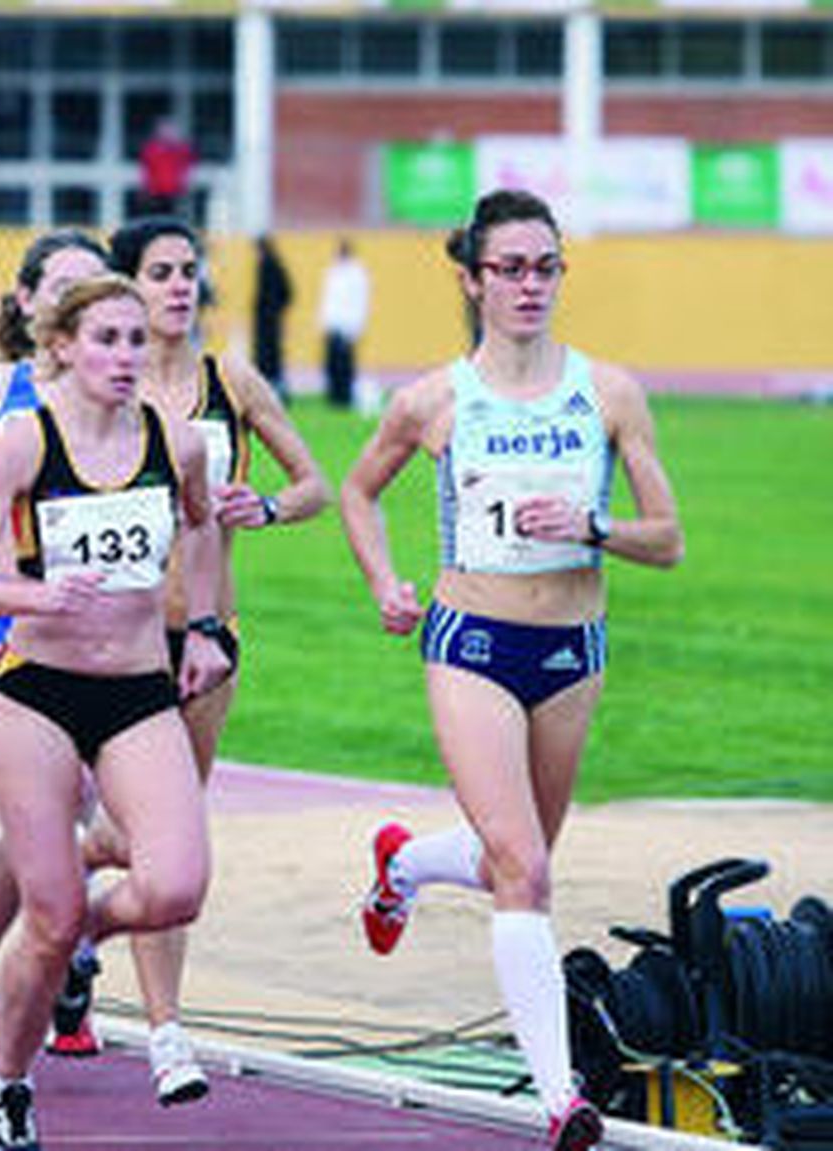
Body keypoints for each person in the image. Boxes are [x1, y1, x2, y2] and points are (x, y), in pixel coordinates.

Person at [337, 188, 683, 1151]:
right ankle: (558, 1099)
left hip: (572, 652)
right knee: (525, 869)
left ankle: (404, 862)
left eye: (546, 266)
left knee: (514, 862)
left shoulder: (608, 393)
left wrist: (592, 525)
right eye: (511, 268)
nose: (531, 284)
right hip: (472, 646)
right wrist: (386, 583)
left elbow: (669, 541)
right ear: (472, 278)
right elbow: (360, 493)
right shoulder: (434, 398)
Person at [0, 273, 228, 1149]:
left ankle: (73, 925)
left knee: (176, 885)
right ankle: (10, 1086)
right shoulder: (26, 440)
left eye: (136, 340)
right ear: (61, 344)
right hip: (40, 692)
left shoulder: (172, 438)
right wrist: (36, 593)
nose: (126, 357)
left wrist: (208, 626)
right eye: (106, 339)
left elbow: (204, 525)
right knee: (51, 913)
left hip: (139, 688)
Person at [78, 216, 329, 1105]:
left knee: (156, 835)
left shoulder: (233, 381)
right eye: (161, 272)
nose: (181, 287)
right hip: (115, 642)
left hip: (206, 640)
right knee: (158, 840)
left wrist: (264, 504)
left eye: (190, 271)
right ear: (123, 287)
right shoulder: (96, 383)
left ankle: (73, 903)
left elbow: (314, 485)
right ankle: (165, 1035)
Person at [0, 229, 111, 1068]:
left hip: (105, 621)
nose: (78, 299)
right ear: (29, 300)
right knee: (64, 792)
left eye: (95, 285)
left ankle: (2, 942)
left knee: (85, 806)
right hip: (13, 617)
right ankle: (37, 959)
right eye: (63, 286)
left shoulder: (119, 392)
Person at [318, 237, 370, 409]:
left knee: (345, 365)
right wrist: (323, 323)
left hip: (348, 325)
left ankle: (345, 397)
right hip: (333, 324)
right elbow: (327, 299)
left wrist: (356, 328)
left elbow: (361, 302)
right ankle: (333, 396)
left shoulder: (357, 273)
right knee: (331, 364)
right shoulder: (333, 271)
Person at [253, 234, 293, 401]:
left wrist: (272, 310)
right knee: (273, 358)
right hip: (270, 320)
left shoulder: (268, 266)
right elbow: (288, 293)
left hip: (268, 322)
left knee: (269, 358)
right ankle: (275, 391)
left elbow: (286, 293)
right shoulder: (275, 265)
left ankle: (273, 393)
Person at [137, 117, 196, 219]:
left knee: (176, 219)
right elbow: (147, 170)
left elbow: (190, 163)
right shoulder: (152, 149)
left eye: (170, 130)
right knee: (157, 219)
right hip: (156, 193)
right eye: (165, 130)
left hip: (176, 192)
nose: (168, 133)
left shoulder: (181, 150)